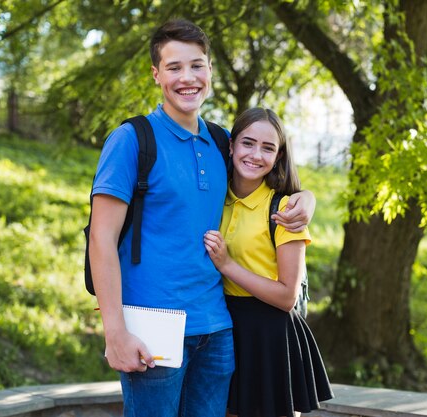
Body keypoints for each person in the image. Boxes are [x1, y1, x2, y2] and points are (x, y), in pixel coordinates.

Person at [88, 19, 317, 417]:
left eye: (197, 65)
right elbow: (101, 239)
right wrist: (115, 332)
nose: (187, 78)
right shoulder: (131, 140)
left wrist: (306, 198)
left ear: (210, 70)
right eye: (174, 67)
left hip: (218, 329)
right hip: (152, 328)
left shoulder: (220, 141)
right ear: (156, 74)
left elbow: (265, 173)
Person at [204, 108, 333, 417]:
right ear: (232, 145)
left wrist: (228, 265)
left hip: (270, 334)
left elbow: (287, 296)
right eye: (248, 143)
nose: (255, 155)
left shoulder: (287, 209)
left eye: (268, 148)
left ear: (278, 156)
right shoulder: (214, 198)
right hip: (223, 327)